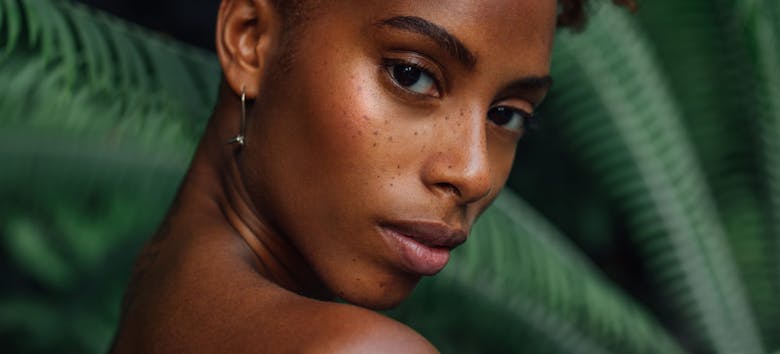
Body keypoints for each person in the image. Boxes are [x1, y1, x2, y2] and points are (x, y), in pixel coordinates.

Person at [109, 0, 633, 352]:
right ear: (251, 39)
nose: (473, 173)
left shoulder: (165, 294)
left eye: (507, 114)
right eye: (411, 74)